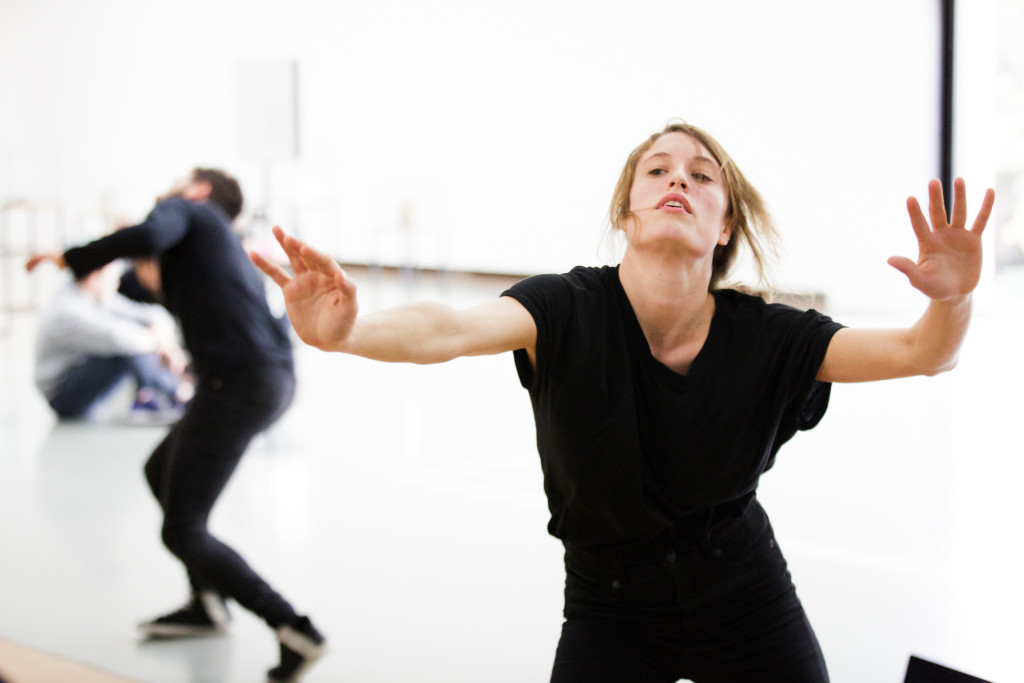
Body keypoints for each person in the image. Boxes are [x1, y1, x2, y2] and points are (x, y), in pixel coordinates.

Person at [251, 121, 994, 683]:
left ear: (725, 223)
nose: (680, 179)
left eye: (704, 176)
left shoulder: (768, 336)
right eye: (658, 169)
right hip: (610, 603)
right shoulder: (565, 307)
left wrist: (955, 299)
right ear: (628, 210)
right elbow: (450, 327)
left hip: (743, 590)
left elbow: (923, 351)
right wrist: (346, 334)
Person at [25, 168, 326, 683]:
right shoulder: (213, 248)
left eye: (177, 182)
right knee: (158, 469)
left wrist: (73, 256)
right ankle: (206, 603)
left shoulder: (187, 212)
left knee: (182, 528)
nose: (165, 190)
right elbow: (151, 288)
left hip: (237, 383)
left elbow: (147, 235)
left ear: (199, 190)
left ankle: (294, 627)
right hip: (261, 380)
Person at [33, 258, 190, 422]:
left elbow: (155, 315)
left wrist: (166, 343)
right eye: (113, 278)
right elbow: (125, 340)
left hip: (81, 374)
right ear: (94, 277)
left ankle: (156, 395)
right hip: (63, 396)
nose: (116, 283)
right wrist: (164, 346)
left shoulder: (96, 297)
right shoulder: (67, 311)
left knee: (136, 337)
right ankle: (173, 394)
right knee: (128, 345)